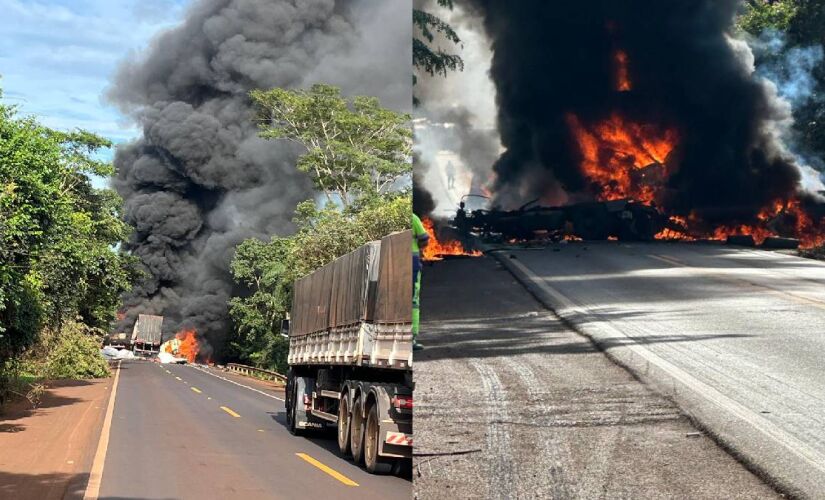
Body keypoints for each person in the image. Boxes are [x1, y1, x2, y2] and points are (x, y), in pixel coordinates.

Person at [412, 213, 429, 351]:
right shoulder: (413, 218)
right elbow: (424, 238)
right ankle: (412, 339)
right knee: (413, 301)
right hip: (412, 264)